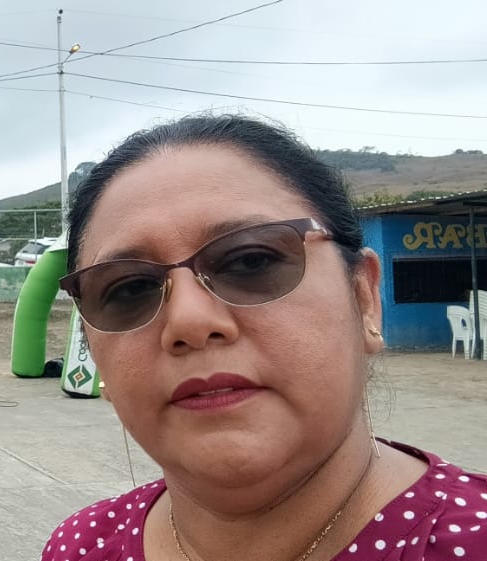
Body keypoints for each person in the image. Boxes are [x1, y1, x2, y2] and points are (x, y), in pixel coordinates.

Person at [43, 115, 487, 561]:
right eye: (129, 288)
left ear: (364, 297)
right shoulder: (80, 549)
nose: (189, 322)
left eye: (250, 261)